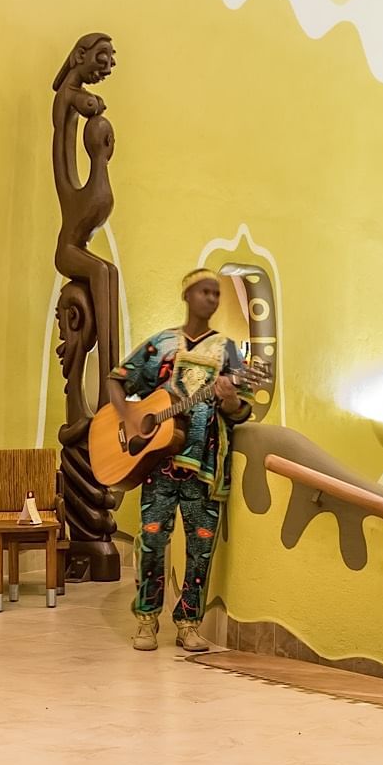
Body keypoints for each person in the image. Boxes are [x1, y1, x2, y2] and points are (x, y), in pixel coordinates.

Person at [106, 269, 255, 653]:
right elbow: (117, 380)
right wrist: (129, 418)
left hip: (205, 468)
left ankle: (189, 624)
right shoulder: (161, 344)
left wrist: (228, 398)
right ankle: (146, 621)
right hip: (157, 465)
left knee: (200, 549)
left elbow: (240, 412)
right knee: (153, 541)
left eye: (217, 293)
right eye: (205, 291)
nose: (212, 299)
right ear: (187, 295)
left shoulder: (227, 351)